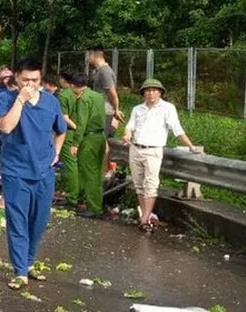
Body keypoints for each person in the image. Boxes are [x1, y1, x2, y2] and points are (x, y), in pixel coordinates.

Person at [0, 59, 67, 290]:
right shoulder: (4, 99)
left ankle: (28, 262)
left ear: (41, 79)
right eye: (25, 80)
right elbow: (6, 127)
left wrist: (56, 152)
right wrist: (20, 100)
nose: (30, 84)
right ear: (16, 78)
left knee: (39, 221)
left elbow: (61, 130)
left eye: (35, 80)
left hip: (44, 171)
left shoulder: (51, 102)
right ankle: (20, 271)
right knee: (18, 220)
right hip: (15, 171)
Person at [123, 79, 204, 232]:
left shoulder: (168, 108)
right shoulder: (137, 109)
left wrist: (191, 146)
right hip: (135, 148)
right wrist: (127, 134)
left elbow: (177, 129)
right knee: (139, 184)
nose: (151, 93)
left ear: (160, 92)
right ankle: (146, 215)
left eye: (154, 90)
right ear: (143, 94)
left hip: (153, 151)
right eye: (147, 90)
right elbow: (130, 125)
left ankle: (145, 219)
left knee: (151, 184)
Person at [65, 73, 107, 218]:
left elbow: (81, 123)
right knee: (96, 173)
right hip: (100, 137)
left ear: (72, 85)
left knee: (89, 173)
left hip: (88, 138)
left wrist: (75, 143)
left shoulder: (83, 99)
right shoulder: (98, 96)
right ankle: (95, 204)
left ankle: (94, 208)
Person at [87, 46, 124, 136]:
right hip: (98, 110)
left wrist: (116, 110)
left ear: (93, 55)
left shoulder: (105, 72)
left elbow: (112, 93)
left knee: (102, 140)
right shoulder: (97, 71)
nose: (87, 58)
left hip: (105, 112)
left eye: (88, 55)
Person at [55, 72, 79, 206]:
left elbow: (64, 117)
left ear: (64, 81)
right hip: (83, 132)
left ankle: (72, 197)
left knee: (70, 166)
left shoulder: (64, 95)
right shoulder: (84, 94)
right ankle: (79, 193)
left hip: (69, 132)